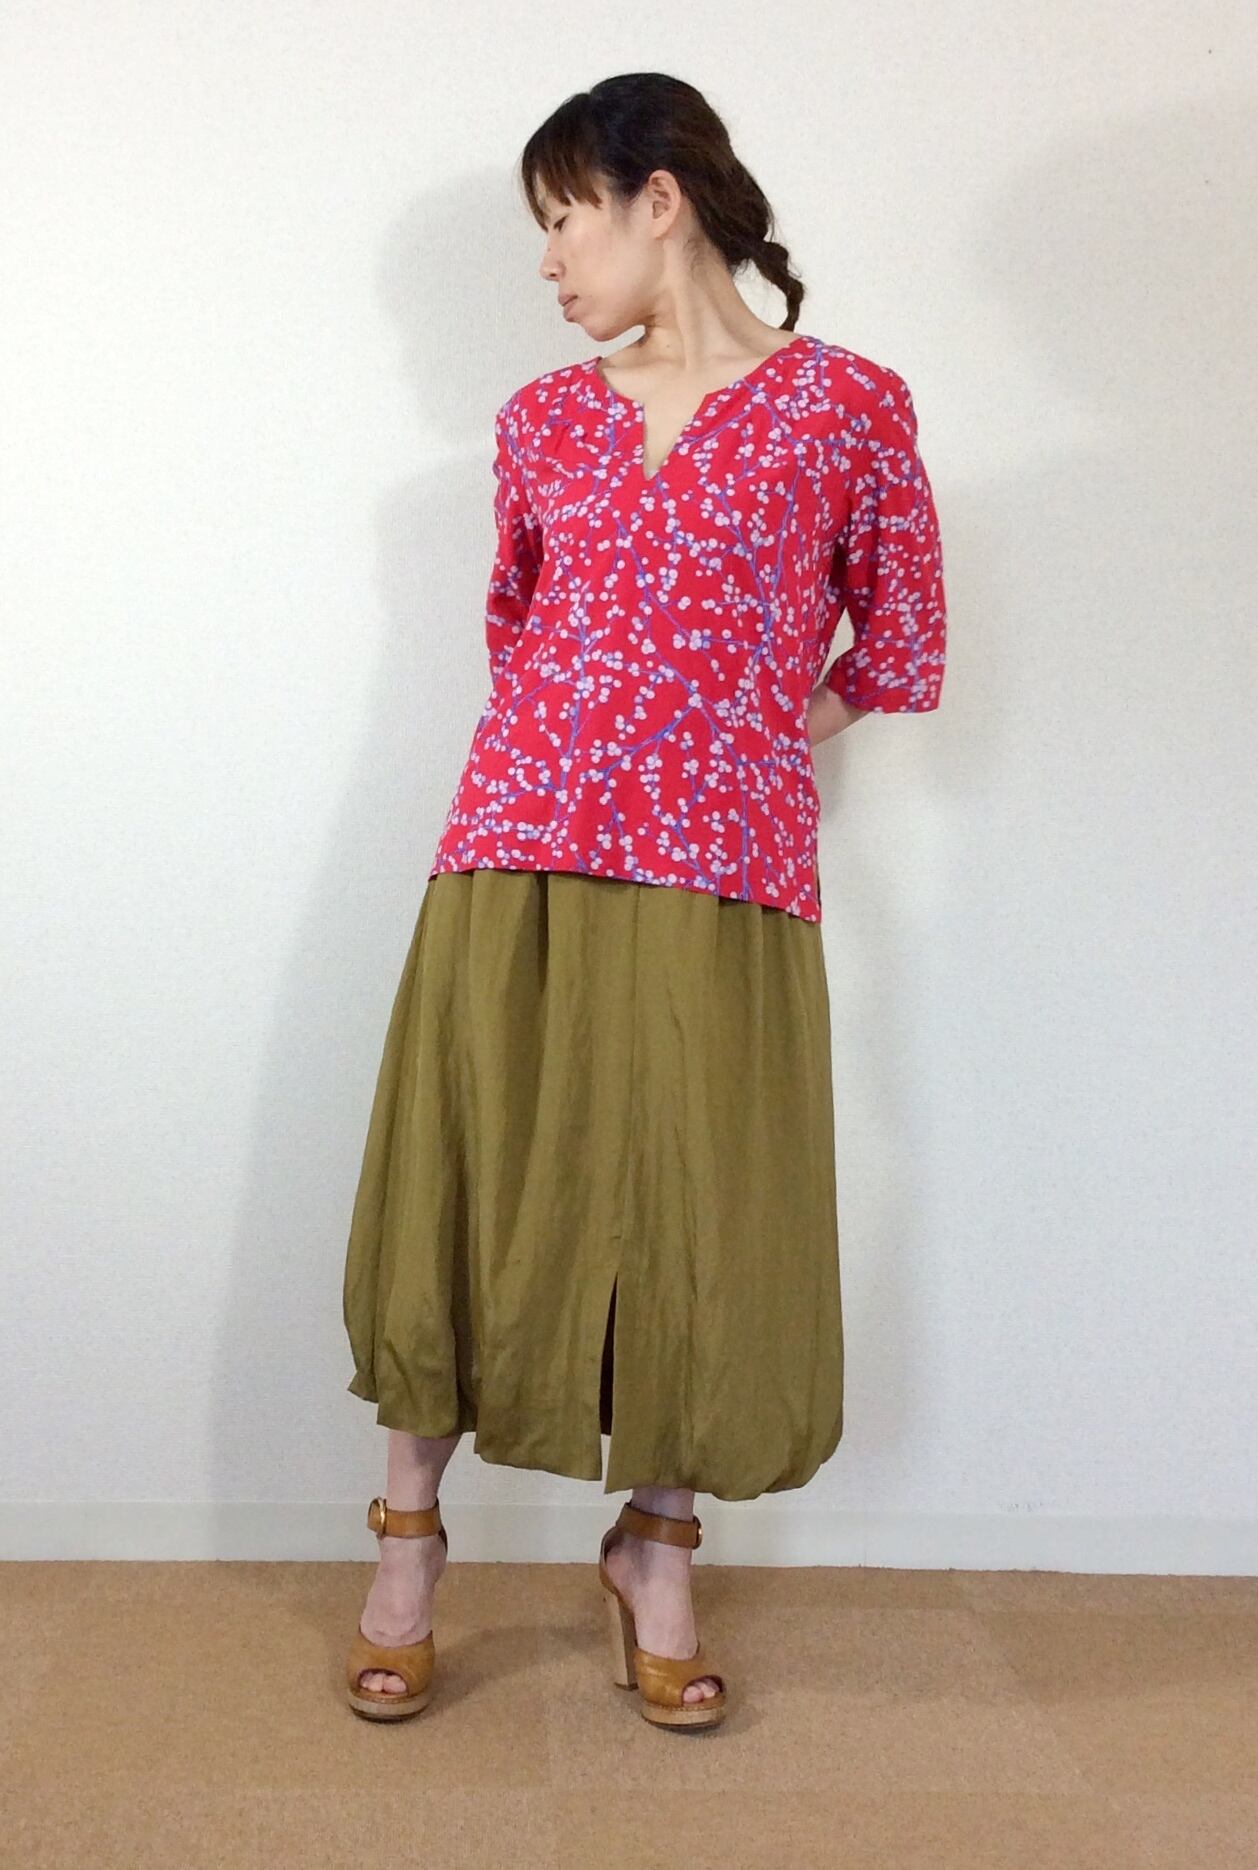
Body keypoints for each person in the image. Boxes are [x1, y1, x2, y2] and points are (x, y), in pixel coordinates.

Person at [341, 71, 947, 1730]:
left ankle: (654, 1551)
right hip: (516, 846)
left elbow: (894, 643)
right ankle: (406, 1544)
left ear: (655, 200)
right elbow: (524, 642)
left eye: (563, 219)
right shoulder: (543, 420)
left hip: (725, 866)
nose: (547, 261)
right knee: (470, 1176)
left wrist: (746, 730)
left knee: (700, 1206)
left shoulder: (846, 407)